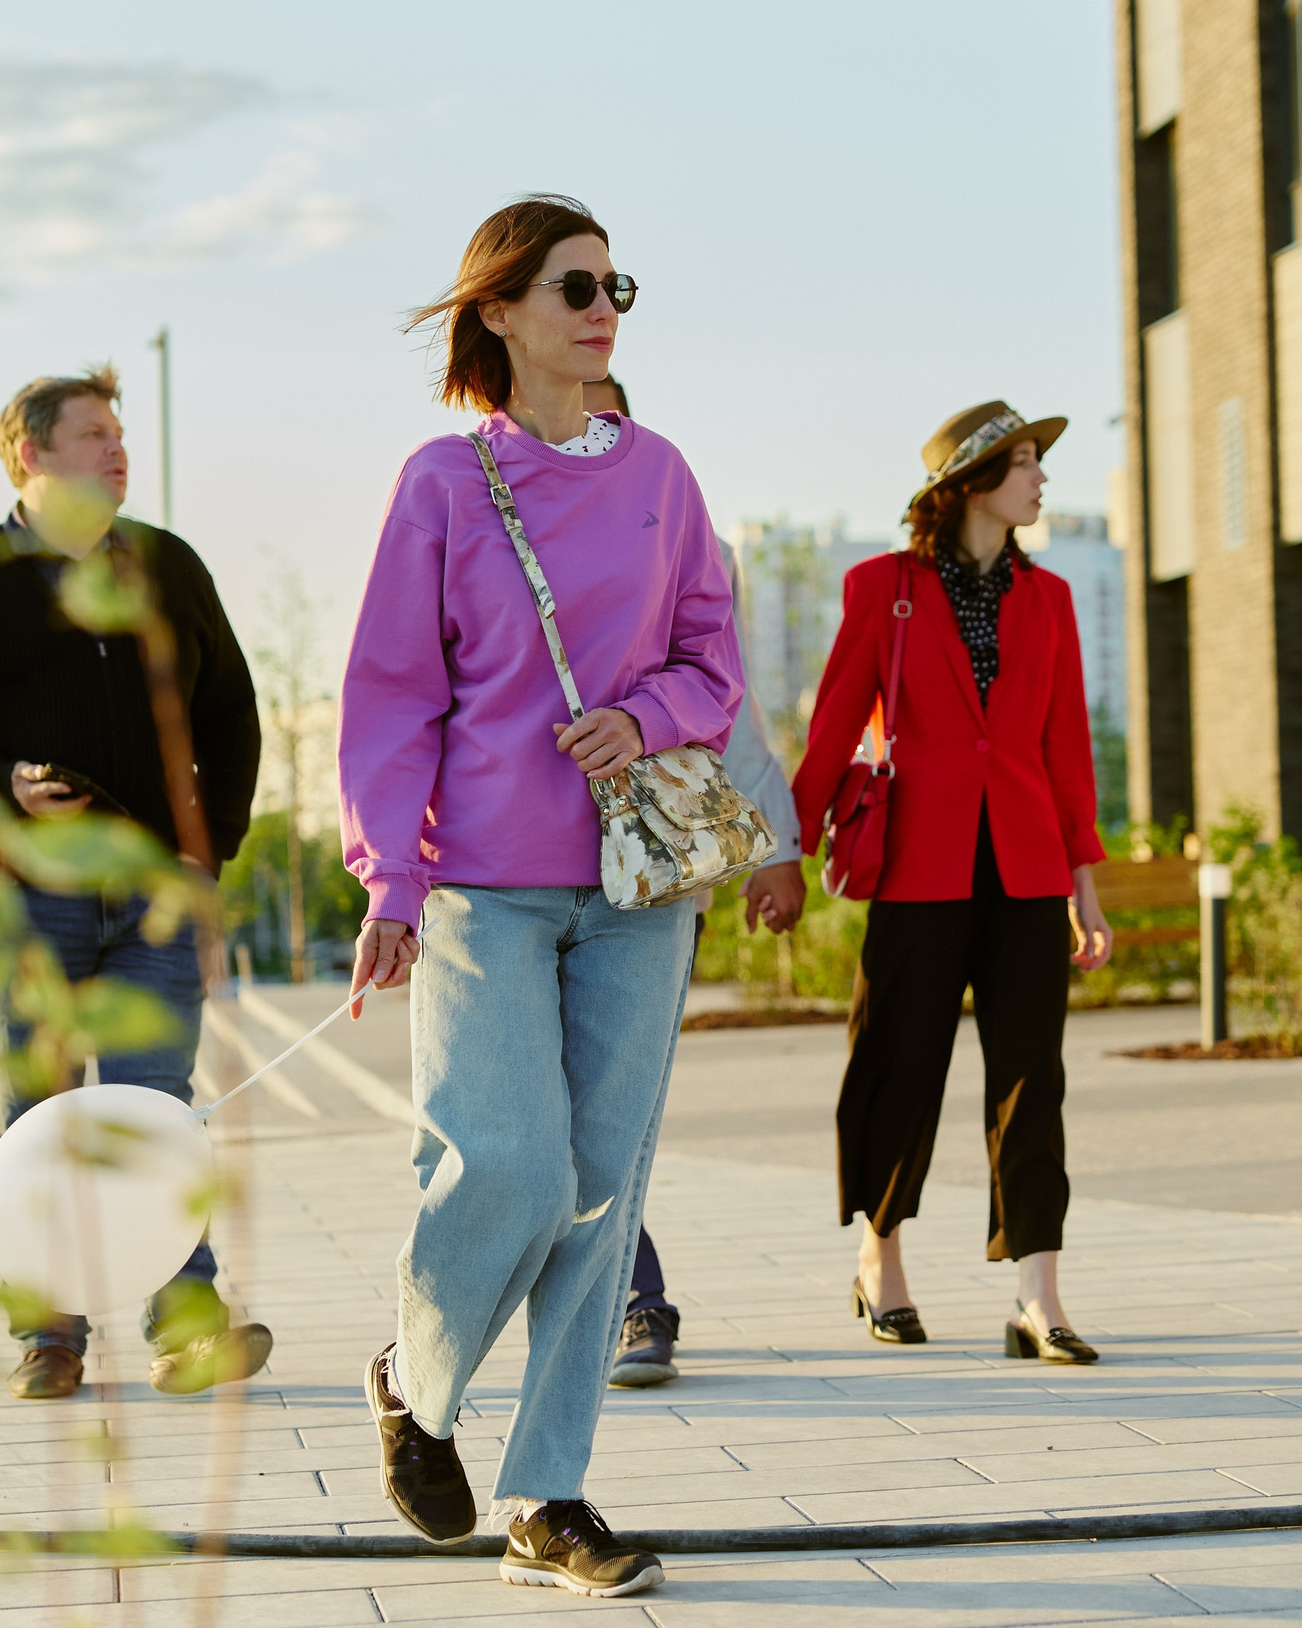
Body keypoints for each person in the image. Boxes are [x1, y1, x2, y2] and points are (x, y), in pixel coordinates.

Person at [337, 197, 742, 1599]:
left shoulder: (665, 476)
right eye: (573, 284)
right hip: (485, 889)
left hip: (636, 883)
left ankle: (549, 1492)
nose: (601, 303)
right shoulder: (443, 483)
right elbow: (392, 693)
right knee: (502, 1163)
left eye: (614, 281)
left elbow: (714, 658)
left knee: (598, 1189)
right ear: (499, 310)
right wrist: (389, 872)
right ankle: (414, 1371)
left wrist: (645, 715)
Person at [0, 364, 273, 1402]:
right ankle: (49, 1337)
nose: (116, 449)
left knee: (154, 1110)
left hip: (153, 892)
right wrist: (1, 793)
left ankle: (185, 1323)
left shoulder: (167, 569)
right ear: (30, 454)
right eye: (93, 433)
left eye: (118, 433)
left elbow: (230, 711)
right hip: (22, 894)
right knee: (34, 1110)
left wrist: (208, 846)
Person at [791, 401, 1116, 1365]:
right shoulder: (882, 587)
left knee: (1033, 1081)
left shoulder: (1050, 598)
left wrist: (1084, 885)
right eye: (1023, 463)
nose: (1041, 478)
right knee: (899, 1064)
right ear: (970, 483)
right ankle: (879, 1257)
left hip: (1023, 868)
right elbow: (834, 723)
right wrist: (784, 856)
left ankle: (1038, 1293)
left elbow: (1066, 748)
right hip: (918, 868)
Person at [579, 374, 806, 1393]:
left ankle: (634, 1301)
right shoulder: (472, 505)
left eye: (606, 413)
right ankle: (597, 1292)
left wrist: (777, 845)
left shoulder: (678, 528)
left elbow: (731, 700)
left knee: (612, 1105)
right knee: (528, 1121)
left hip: (656, 859)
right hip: (507, 866)